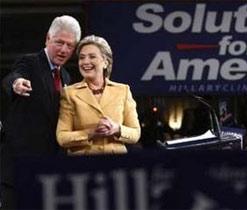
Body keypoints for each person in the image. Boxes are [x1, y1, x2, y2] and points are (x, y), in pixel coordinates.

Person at [0, 15, 81, 209]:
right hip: (19, 168)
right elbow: (13, 77)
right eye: (59, 42)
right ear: (47, 38)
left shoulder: (67, 77)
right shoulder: (29, 63)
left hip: (47, 170)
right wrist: (16, 84)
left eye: (69, 46)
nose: (63, 50)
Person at [56, 35, 141, 155]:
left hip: (116, 165)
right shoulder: (70, 93)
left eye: (92, 57)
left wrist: (116, 129)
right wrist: (91, 133)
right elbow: (62, 137)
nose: (85, 62)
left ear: (105, 62)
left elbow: (135, 133)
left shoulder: (123, 91)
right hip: (83, 166)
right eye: (82, 58)